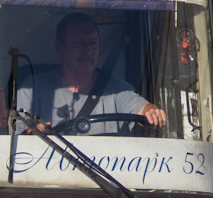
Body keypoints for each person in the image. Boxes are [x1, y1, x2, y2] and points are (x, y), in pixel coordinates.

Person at [16, 12, 167, 134]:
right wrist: (31, 135)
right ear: (59, 47)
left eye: (93, 43)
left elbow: (142, 109)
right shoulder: (33, 88)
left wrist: (151, 112)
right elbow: (18, 141)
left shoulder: (116, 89)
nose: (88, 51)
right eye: (79, 43)